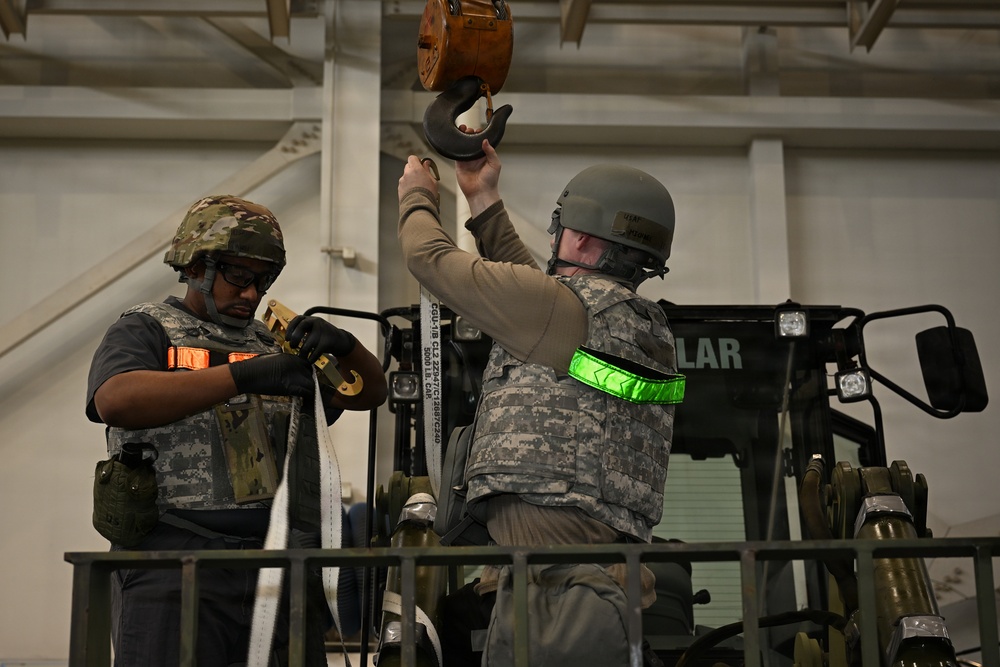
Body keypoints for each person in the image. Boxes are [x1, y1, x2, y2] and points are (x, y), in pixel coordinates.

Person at [397, 140, 682, 666]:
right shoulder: (628, 320)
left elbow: (426, 257)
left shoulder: (555, 312)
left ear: (578, 236)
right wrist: (483, 198)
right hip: (576, 580)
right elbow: (534, 297)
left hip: (561, 597)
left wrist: (417, 196)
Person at [86, 194, 388, 667]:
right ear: (196, 266)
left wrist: (347, 347)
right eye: (238, 276)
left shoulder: (273, 343)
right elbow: (116, 400)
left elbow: (368, 393)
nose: (251, 294)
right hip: (172, 558)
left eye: (262, 280)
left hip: (273, 563)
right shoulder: (147, 330)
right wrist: (246, 376)